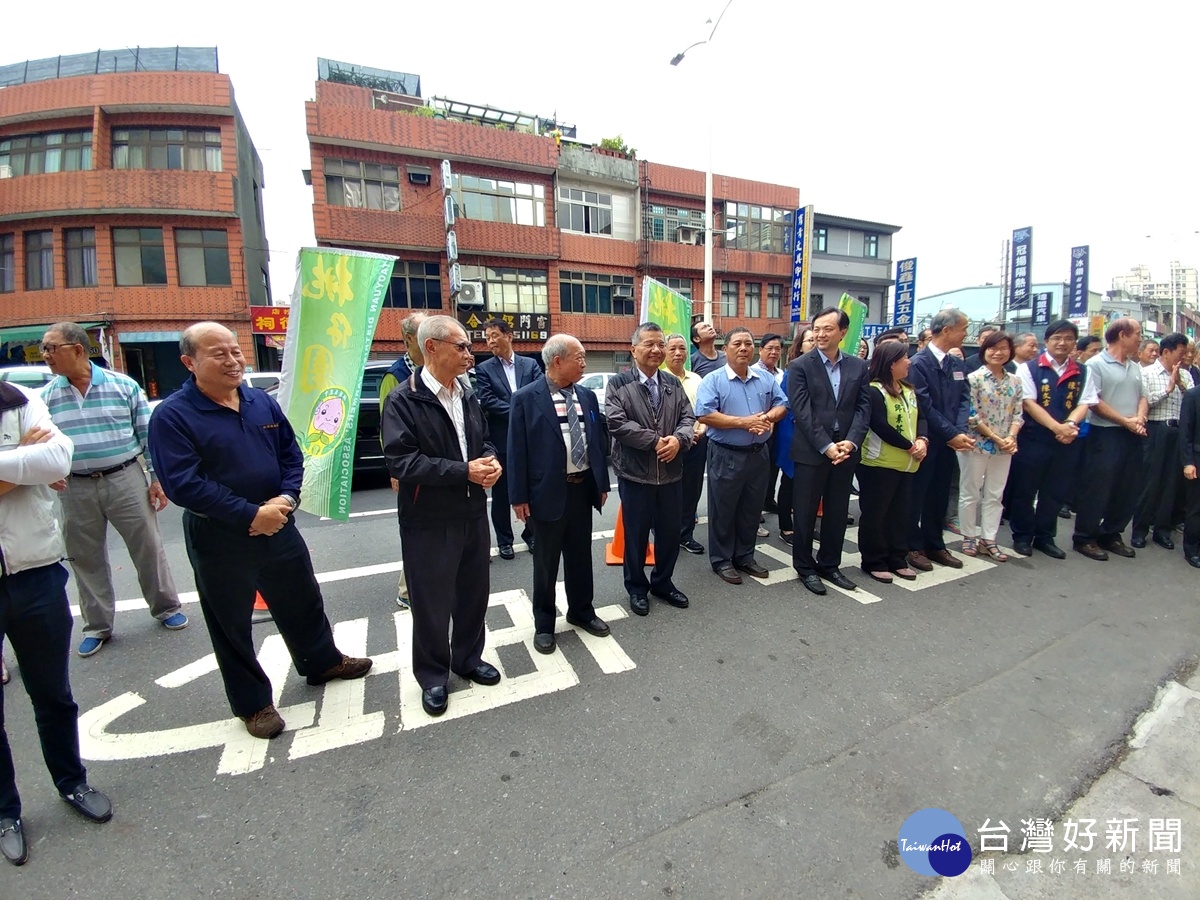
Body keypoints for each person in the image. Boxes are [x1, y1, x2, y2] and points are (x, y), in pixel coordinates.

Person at [149, 323, 372, 737]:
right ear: (189, 362)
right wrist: (249, 514)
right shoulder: (173, 416)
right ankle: (253, 705)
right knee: (230, 623)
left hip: (279, 523)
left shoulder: (259, 402)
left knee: (303, 599)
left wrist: (285, 501)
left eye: (236, 351)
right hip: (220, 535)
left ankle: (322, 662)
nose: (233, 360)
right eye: (219, 354)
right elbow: (184, 483)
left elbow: (291, 454)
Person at [0, 382, 113, 866]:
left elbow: (56, 462)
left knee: (53, 694)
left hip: (36, 574)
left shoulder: (18, 400)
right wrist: (16, 462)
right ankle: (6, 811)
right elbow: (35, 466)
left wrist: (33, 461)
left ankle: (72, 782)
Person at [40, 322, 187, 657]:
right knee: (84, 558)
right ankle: (97, 626)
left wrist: (155, 478)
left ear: (77, 349)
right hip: (73, 485)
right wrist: (47, 471)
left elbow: (146, 435)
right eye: (45, 348)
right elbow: (42, 444)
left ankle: (167, 607)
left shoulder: (123, 386)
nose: (46, 355)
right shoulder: (46, 397)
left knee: (147, 546)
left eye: (52, 348)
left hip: (124, 478)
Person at [381, 316, 504, 716]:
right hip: (427, 517)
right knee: (431, 601)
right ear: (431, 347)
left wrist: (491, 461)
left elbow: (481, 439)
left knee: (473, 594)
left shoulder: (467, 394)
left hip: (471, 511)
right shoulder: (403, 399)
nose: (470, 354)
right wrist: (463, 471)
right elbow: (403, 462)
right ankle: (433, 676)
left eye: (469, 348)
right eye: (462, 347)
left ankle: (467, 658)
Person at [508, 334, 611, 654]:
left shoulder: (587, 396)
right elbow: (516, 451)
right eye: (578, 357)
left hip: (582, 490)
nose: (584, 363)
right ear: (557, 361)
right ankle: (544, 623)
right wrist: (518, 497)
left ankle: (581, 611)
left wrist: (602, 483)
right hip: (546, 492)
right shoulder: (526, 398)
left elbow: (596, 442)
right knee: (546, 562)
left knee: (581, 557)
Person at [606, 324, 695, 615]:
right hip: (635, 475)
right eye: (649, 344)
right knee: (636, 535)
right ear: (634, 349)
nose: (656, 350)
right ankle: (636, 587)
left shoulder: (672, 383)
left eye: (660, 344)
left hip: (671, 474)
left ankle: (663, 582)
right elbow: (617, 423)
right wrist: (657, 441)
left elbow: (687, 417)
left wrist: (679, 440)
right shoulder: (618, 384)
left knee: (670, 534)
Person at [786, 308, 872, 594]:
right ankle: (805, 567)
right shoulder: (801, 365)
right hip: (813, 450)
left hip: (846, 449)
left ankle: (830, 565)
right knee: (807, 513)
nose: (821, 334)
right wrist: (826, 446)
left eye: (828, 329)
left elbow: (863, 408)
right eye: (817, 329)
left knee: (836, 511)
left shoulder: (858, 366)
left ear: (843, 332)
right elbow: (802, 411)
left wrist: (851, 441)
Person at [694, 327, 788, 585]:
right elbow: (704, 414)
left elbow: (782, 404)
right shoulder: (713, 380)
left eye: (748, 343)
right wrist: (744, 423)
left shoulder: (765, 378)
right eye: (737, 344)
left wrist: (767, 418)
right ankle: (722, 560)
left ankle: (745, 555)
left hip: (759, 454)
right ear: (726, 350)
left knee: (751, 508)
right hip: (726, 453)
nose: (744, 348)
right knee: (723, 509)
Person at [1007, 320, 1091, 559]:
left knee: (1055, 491)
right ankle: (1022, 535)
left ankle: (1045, 536)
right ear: (1047, 341)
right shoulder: (1030, 368)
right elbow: (1029, 403)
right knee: (1025, 488)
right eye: (1056, 338)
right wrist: (1057, 427)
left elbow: (1085, 402)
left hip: (1066, 440)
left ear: (1075, 342)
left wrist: (1070, 425)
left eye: (1067, 338)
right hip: (1034, 438)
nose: (1062, 343)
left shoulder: (1083, 370)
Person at [1071, 318, 1148, 561]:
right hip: (1105, 432)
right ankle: (1085, 537)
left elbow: (1143, 396)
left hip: (1132, 433)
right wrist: (1125, 421)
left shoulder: (1134, 366)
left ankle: (1111, 533)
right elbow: (1093, 401)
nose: (1140, 338)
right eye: (1137, 333)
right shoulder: (1095, 364)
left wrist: (1139, 418)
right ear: (1122, 335)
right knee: (1098, 487)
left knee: (1128, 487)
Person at [906, 309, 975, 571]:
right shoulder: (919, 363)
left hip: (950, 441)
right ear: (946, 330)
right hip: (927, 439)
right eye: (963, 328)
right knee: (917, 495)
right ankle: (912, 545)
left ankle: (935, 543)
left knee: (940, 494)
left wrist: (958, 432)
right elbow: (924, 405)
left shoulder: (957, 364)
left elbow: (963, 398)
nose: (966, 333)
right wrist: (951, 433)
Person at [857, 340, 928, 583]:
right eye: (904, 358)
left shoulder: (908, 389)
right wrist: (909, 446)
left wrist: (922, 440)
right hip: (879, 464)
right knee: (876, 514)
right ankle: (874, 560)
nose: (909, 361)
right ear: (890, 364)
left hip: (908, 464)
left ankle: (897, 558)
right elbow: (879, 425)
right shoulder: (874, 390)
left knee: (900, 513)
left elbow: (921, 418)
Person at [474, 317, 541, 560]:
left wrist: (523, 410)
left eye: (494, 335)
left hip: (529, 439)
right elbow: (488, 400)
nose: (490, 341)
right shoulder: (483, 369)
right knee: (502, 494)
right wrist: (518, 410)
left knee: (530, 488)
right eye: (487, 337)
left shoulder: (530, 364)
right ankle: (504, 540)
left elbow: (537, 392)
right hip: (501, 439)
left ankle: (531, 533)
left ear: (509, 336)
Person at [957, 332, 1023, 561]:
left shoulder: (1015, 380)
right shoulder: (973, 378)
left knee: (995, 494)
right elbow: (971, 415)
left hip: (1005, 446)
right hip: (976, 443)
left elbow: (1018, 413)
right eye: (993, 348)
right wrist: (996, 437)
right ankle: (968, 536)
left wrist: (1011, 437)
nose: (998, 352)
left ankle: (989, 539)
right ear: (984, 350)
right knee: (970, 491)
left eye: (1003, 348)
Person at [380, 312, 426, 610]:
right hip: (413, 466)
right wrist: (395, 469)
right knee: (417, 528)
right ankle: (408, 590)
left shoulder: (443, 372)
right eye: (425, 335)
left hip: (442, 467)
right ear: (409, 339)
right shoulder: (395, 376)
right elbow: (387, 429)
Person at [1131, 332, 1192, 551]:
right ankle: (1139, 530)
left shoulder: (1186, 375)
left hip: (1178, 432)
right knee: (1150, 482)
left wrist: (1180, 385)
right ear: (1166, 351)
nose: (1183, 357)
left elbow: (1191, 404)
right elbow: (1145, 401)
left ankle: (1162, 530)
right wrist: (1168, 388)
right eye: (1180, 353)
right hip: (1156, 429)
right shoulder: (1145, 372)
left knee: (1171, 484)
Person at [665, 333, 708, 556]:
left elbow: (704, 411)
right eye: (672, 349)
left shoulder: (697, 379)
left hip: (697, 443)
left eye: (682, 348)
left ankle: (685, 535)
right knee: (668, 492)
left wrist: (702, 429)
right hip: (670, 446)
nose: (678, 353)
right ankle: (666, 534)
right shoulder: (659, 378)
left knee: (692, 490)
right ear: (664, 351)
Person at [775, 328, 815, 546]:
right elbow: (785, 403)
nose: (814, 343)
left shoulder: (821, 370)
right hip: (794, 431)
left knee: (810, 484)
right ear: (800, 346)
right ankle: (786, 526)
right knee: (790, 481)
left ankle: (804, 526)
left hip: (816, 434)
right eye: (810, 340)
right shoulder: (794, 370)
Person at [753, 332, 785, 515]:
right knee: (759, 469)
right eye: (769, 348)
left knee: (774, 464)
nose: (773, 352)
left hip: (779, 425)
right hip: (760, 425)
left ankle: (768, 499)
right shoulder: (754, 372)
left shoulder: (781, 374)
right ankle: (756, 507)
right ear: (761, 349)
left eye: (777, 349)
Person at [1177, 382, 1200, 567]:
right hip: (1197, 458)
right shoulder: (1193, 395)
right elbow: (1185, 432)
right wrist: (1188, 462)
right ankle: (1191, 549)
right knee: (1196, 507)